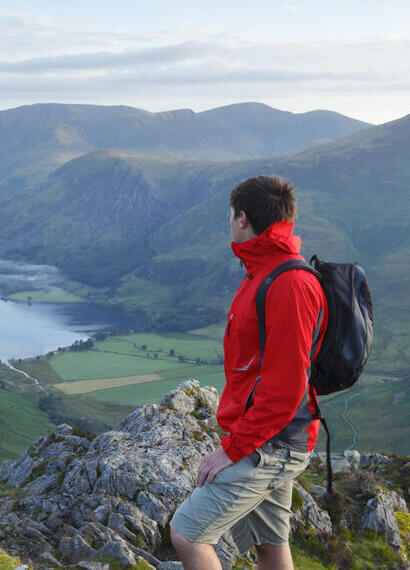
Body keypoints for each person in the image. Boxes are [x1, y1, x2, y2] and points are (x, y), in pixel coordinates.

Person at [169, 175, 327, 570]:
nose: (229, 223)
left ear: (242, 218)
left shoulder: (289, 284)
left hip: (272, 442)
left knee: (188, 534)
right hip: (270, 435)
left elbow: (286, 388)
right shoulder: (264, 270)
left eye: (230, 216)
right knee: (269, 545)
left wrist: (232, 449)